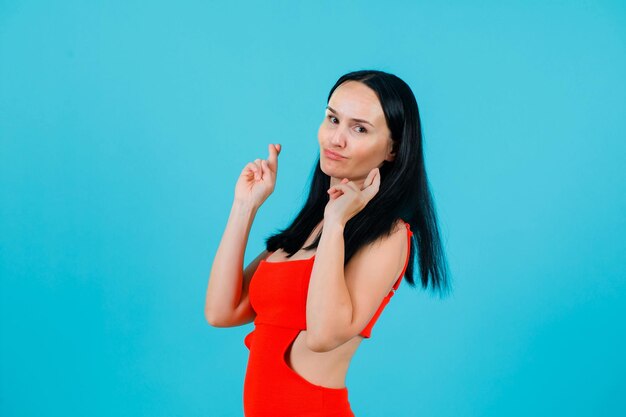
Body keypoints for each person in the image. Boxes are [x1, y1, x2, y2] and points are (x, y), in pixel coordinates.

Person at [205, 69, 451, 416]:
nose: (336, 139)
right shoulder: (310, 227)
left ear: (392, 149)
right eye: (333, 119)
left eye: (359, 128)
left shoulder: (390, 234)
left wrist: (337, 223)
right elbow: (221, 311)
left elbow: (322, 336)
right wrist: (245, 205)